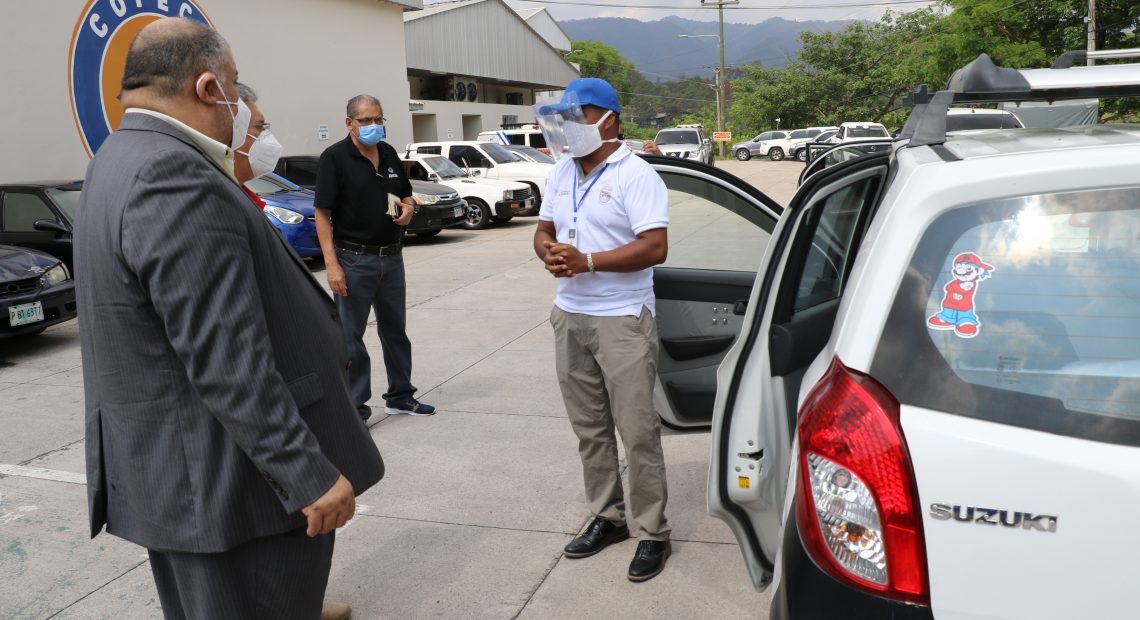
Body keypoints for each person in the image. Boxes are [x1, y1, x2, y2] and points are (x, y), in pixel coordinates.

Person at [74, 18, 384, 619]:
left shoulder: (120, 157)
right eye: (238, 89)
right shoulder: (174, 175)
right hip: (233, 487)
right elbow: (224, 354)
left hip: (190, 471)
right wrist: (305, 472)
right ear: (209, 87)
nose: (243, 106)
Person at [532, 78, 673, 582]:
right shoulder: (561, 172)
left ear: (609, 119)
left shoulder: (636, 175)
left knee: (636, 431)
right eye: (564, 116)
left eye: (579, 114)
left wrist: (588, 261)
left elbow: (654, 247)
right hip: (569, 315)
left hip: (622, 317)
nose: (570, 125)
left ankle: (653, 532)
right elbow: (544, 229)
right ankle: (608, 518)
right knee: (589, 429)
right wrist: (548, 250)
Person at [231, 82, 355, 620]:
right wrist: (301, 465)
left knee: (291, 538)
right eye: (257, 128)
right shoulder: (206, 199)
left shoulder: (246, 194)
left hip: (296, 392)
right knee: (270, 521)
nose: (266, 138)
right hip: (264, 405)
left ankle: (299, 602)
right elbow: (229, 347)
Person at [314, 95, 435, 421]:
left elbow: (404, 193)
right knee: (351, 338)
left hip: (391, 258)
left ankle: (400, 396)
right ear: (349, 122)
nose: (372, 126)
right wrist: (332, 265)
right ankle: (356, 409)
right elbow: (322, 213)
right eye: (365, 120)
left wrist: (408, 207)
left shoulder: (389, 153)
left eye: (378, 119)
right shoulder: (335, 158)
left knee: (395, 331)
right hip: (353, 260)